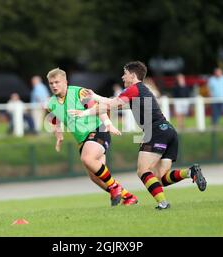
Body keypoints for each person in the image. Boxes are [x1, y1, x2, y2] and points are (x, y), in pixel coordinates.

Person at [69, 61, 207, 210]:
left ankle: (163, 203)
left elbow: (111, 103)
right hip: (169, 131)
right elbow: (109, 105)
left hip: (155, 132)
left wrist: (90, 101)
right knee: (159, 178)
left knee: (143, 171)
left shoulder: (134, 89)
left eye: (125, 74)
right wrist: (88, 107)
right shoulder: (140, 91)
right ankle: (190, 172)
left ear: (133, 75)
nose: (123, 77)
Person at [45, 68, 138, 206]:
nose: (54, 85)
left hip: (98, 130)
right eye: (51, 83)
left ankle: (114, 187)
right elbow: (55, 121)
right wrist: (58, 135)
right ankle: (129, 197)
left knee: (87, 158)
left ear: (65, 81)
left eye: (57, 82)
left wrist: (108, 124)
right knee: (95, 177)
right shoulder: (51, 103)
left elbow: (98, 108)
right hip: (82, 140)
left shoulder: (79, 92)